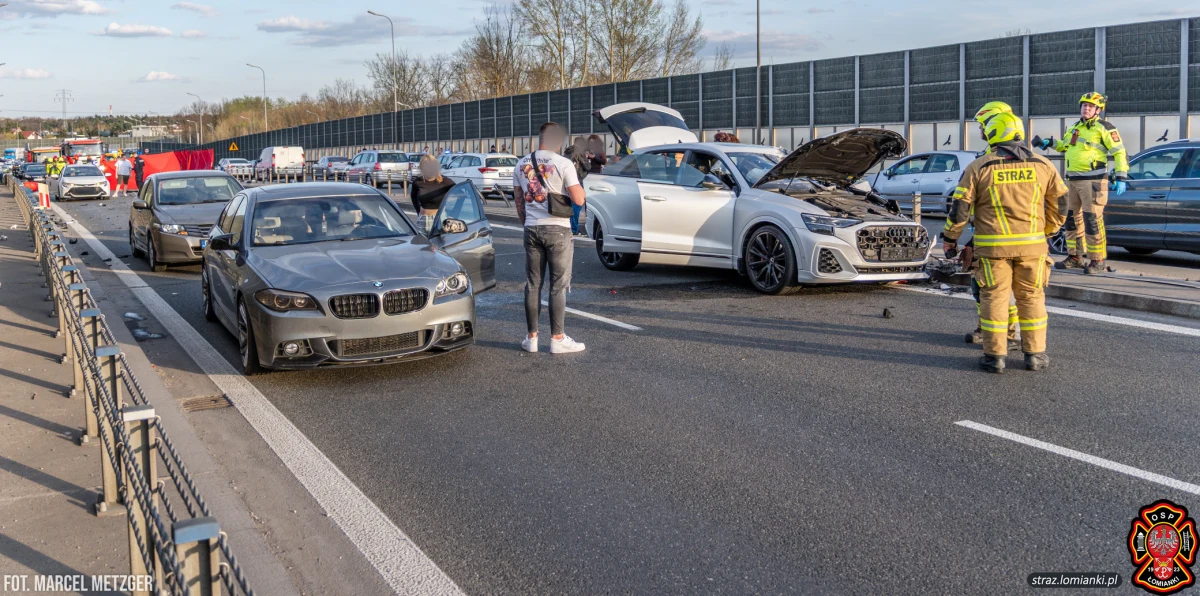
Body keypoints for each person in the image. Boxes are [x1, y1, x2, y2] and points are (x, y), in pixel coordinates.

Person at [943, 111, 1067, 373]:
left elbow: (960, 210)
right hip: (1033, 248)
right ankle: (1034, 355)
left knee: (995, 299)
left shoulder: (980, 167)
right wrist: (1047, 230)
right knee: (1032, 298)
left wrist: (950, 240)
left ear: (993, 135)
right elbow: (1061, 203)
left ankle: (995, 358)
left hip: (993, 249)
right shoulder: (1044, 165)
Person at [1034, 92, 1128, 274]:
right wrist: (1050, 143)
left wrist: (1121, 177)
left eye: (1090, 106)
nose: (1086, 108)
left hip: (1093, 181)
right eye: (1084, 105)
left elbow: (1119, 152)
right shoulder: (1075, 127)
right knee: (1071, 220)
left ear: (1098, 110)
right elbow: (1065, 146)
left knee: (1092, 220)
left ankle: (1097, 260)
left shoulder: (1105, 128)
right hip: (1072, 180)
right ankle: (1075, 257)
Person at [513, 122, 586, 354]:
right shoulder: (564, 163)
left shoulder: (520, 163)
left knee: (533, 284)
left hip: (531, 228)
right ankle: (557, 338)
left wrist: (528, 222)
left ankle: (531, 338)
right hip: (558, 229)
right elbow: (578, 200)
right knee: (558, 286)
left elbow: (518, 200)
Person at [963, 101, 1020, 350]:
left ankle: (1005, 333)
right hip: (992, 231)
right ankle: (993, 328)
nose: (980, 130)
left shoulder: (998, 159)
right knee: (986, 285)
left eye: (983, 125)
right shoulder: (993, 155)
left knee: (993, 287)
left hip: (998, 235)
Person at [410, 154, 454, 234]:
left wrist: (453, 212)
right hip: (422, 220)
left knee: (440, 245)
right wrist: (419, 212)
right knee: (421, 245)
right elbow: (413, 197)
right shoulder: (417, 182)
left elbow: (460, 191)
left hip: (439, 220)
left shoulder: (445, 181)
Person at [563, 136, 591, 236]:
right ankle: (574, 229)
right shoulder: (579, 152)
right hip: (577, 180)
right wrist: (587, 158)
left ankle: (568, 227)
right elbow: (587, 166)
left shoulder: (567, 151)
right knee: (577, 205)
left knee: (568, 205)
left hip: (566, 180)